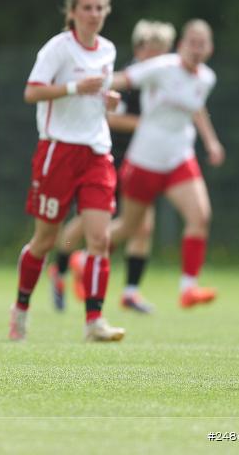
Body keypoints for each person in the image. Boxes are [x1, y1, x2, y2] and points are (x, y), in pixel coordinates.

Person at [10, 0, 125, 342]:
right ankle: (21, 311)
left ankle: (94, 322)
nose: (93, 14)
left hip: (96, 153)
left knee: (100, 239)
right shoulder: (58, 49)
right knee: (45, 241)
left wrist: (108, 101)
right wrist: (76, 88)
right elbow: (32, 92)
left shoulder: (107, 50)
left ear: (106, 12)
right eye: (87, 8)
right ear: (72, 12)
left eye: (99, 8)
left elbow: (97, 95)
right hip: (58, 152)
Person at [48, 20, 176, 314]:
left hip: (144, 158)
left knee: (144, 225)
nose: (160, 60)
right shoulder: (128, 82)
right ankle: (63, 265)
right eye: (155, 53)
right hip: (111, 155)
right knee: (91, 220)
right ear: (140, 50)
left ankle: (130, 291)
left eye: (165, 54)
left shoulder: (161, 82)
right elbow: (109, 117)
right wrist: (148, 125)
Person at [105, 19, 224, 308]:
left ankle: (188, 288)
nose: (196, 49)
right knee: (129, 228)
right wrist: (80, 86)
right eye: (192, 42)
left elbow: (197, 108)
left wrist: (211, 141)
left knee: (200, 217)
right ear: (181, 45)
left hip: (179, 158)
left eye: (202, 43)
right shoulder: (162, 67)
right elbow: (121, 79)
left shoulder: (206, 78)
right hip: (144, 159)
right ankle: (84, 257)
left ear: (209, 48)